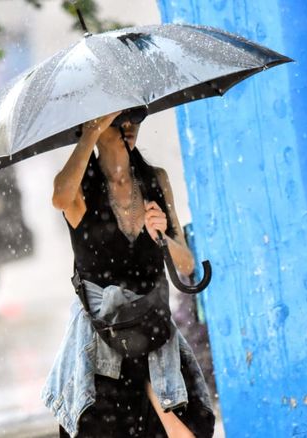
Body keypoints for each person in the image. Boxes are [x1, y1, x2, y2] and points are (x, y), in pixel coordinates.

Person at [42, 108, 215, 437]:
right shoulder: (80, 189)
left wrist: (161, 235)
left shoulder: (156, 180)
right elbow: (59, 197)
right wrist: (90, 133)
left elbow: (186, 265)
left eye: (135, 117)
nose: (128, 126)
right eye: (117, 120)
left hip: (153, 332)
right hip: (104, 344)